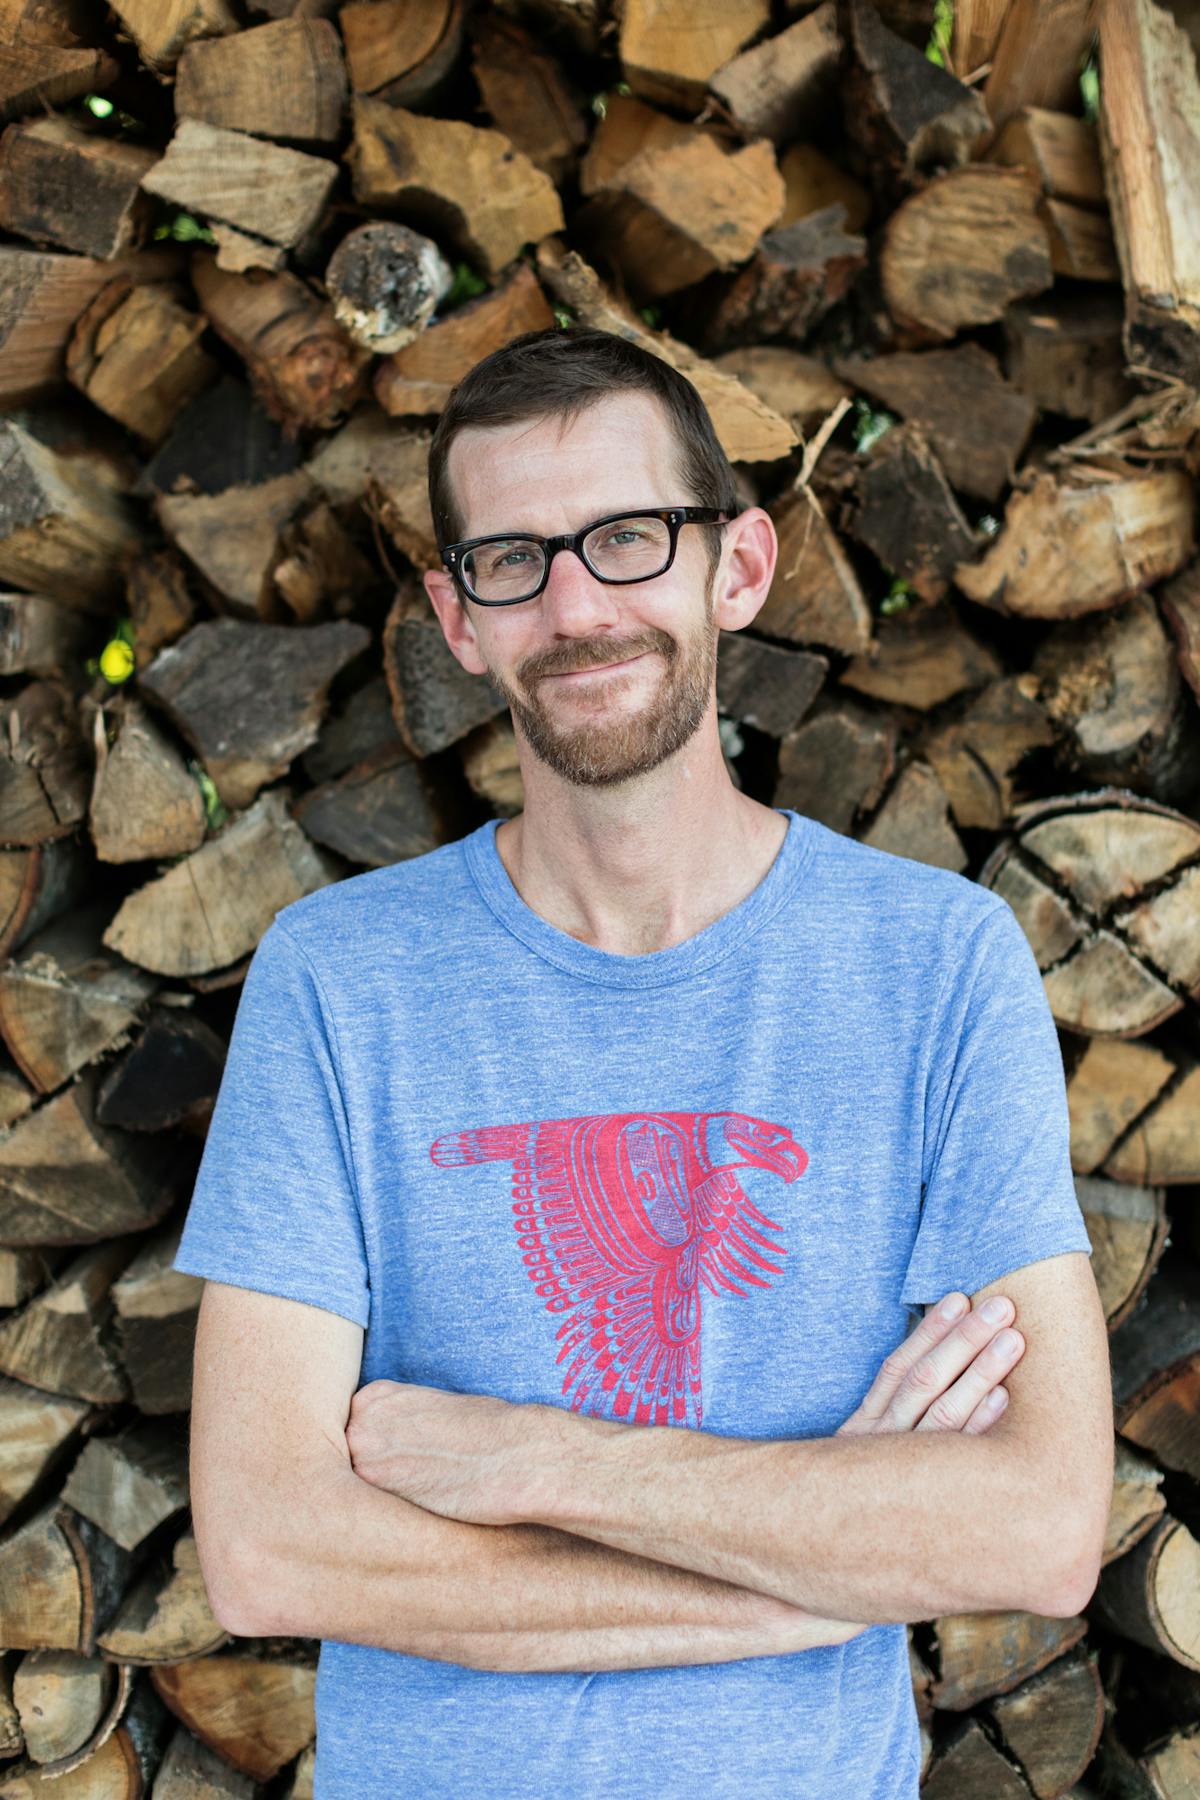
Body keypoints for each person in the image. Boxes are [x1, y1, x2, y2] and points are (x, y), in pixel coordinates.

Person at [173, 326, 1113, 1799]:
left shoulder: (935, 965)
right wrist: (825, 1556)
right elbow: (269, 1546)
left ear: (735, 569)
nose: (575, 607)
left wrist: (543, 1464)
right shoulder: (341, 978)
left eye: (625, 540)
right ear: (458, 618)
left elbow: (1039, 1527)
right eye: (513, 562)